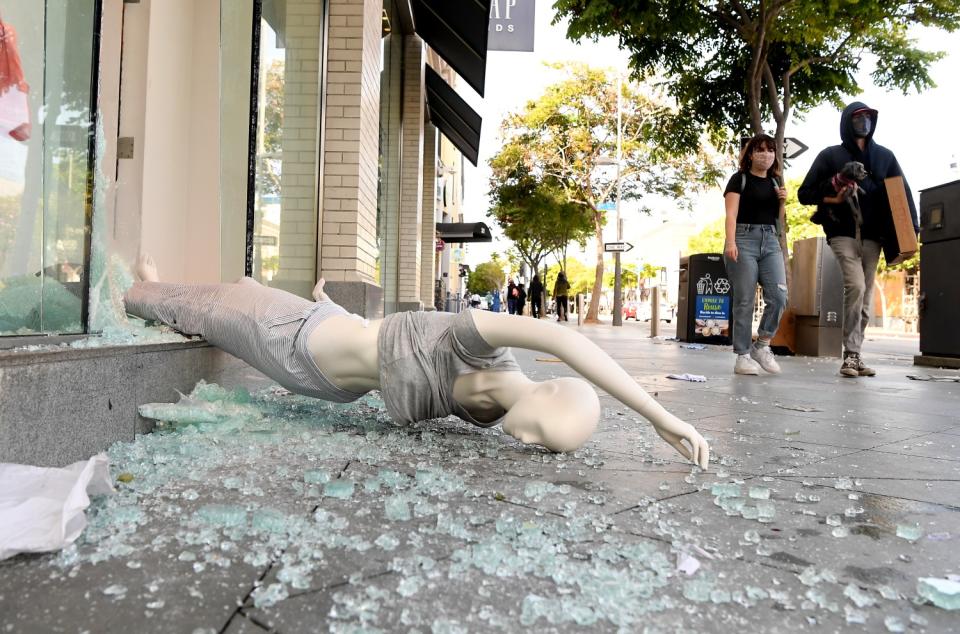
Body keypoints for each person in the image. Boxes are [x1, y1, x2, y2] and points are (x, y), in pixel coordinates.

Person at [124, 254, 709, 466]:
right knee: (209, 302)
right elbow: (570, 343)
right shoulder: (482, 343)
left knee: (213, 310)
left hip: (322, 379)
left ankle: (156, 292)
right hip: (301, 334)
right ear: (551, 392)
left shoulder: (485, 417)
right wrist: (660, 416)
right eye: (545, 438)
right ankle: (145, 288)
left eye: (544, 450)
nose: (529, 446)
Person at [798, 102, 918, 378]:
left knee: (864, 296)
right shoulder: (830, 155)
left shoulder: (886, 157)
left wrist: (911, 232)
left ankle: (854, 355)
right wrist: (836, 183)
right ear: (846, 121)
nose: (863, 121)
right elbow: (805, 194)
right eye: (857, 117)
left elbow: (902, 194)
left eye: (868, 117)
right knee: (856, 285)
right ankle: (850, 355)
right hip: (841, 233)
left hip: (875, 236)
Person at [722, 134, 788, 376]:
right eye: (760, 150)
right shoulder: (738, 179)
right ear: (750, 154)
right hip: (743, 239)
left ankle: (762, 346)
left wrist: (782, 202)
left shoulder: (774, 182)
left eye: (771, 150)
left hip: (770, 241)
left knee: (779, 296)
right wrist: (731, 242)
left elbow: (777, 221)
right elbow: (731, 215)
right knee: (745, 300)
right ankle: (742, 356)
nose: (766, 154)